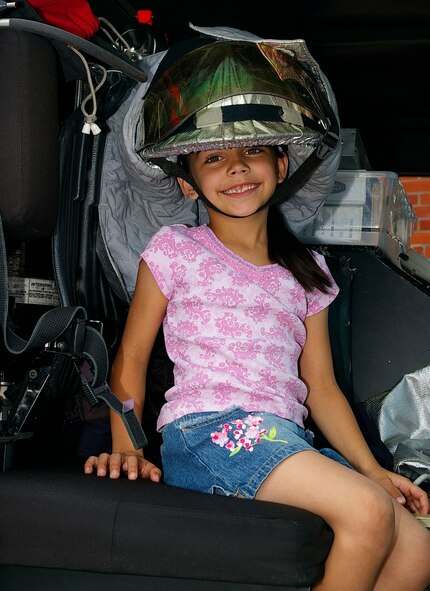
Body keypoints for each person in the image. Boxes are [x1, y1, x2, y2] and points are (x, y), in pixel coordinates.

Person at [84, 31, 430, 591]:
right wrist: (128, 445)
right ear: (189, 184)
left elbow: (321, 388)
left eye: (253, 152)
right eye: (214, 158)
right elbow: (130, 356)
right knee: (365, 513)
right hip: (209, 433)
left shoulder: (308, 273)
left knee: (414, 547)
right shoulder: (176, 251)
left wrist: (375, 470)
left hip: (285, 440)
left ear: (281, 162)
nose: (237, 169)